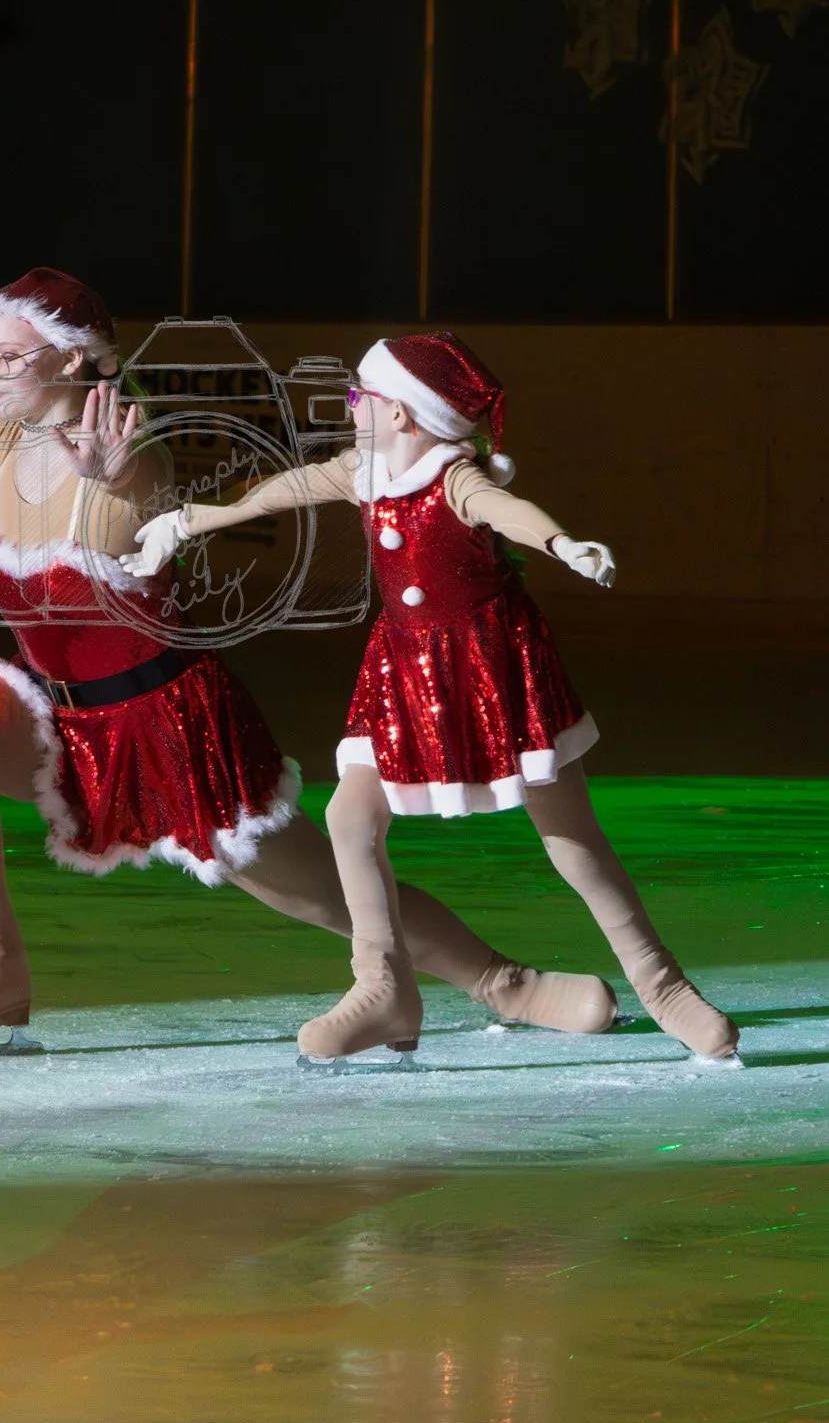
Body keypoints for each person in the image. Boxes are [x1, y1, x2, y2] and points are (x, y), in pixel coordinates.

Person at [0, 192, 616, 1045]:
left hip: (169, 728)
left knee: (322, 897)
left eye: (8, 356)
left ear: (73, 357)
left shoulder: (134, 447)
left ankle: (504, 981)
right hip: (55, 722)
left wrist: (108, 478)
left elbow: (140, 486)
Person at [125, 330, 739, 1064]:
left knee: (571, 840)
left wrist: (562, 545)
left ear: (403, 415)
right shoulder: (364, 470)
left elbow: (505, 510)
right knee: (350, 817)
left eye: (359, 396)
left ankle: (663, 986)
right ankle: (383, 988)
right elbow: (291, 487)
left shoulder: (453, 479)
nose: (350, 407)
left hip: (491, 669)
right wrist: (189, 520)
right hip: (402, 669)